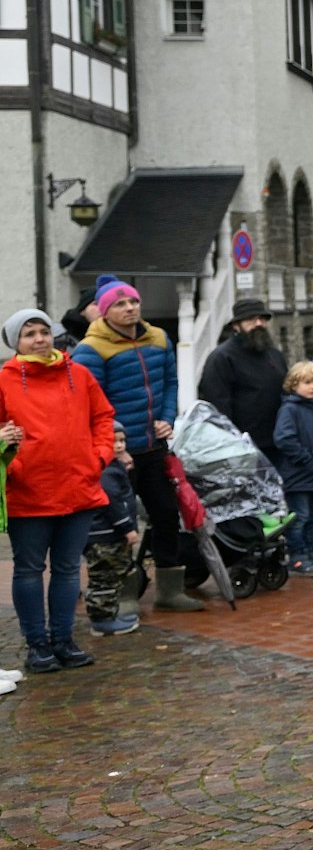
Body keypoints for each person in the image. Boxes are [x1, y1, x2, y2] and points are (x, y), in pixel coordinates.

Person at [71, 276, 204, 612]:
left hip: (155, 448)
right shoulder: (91, 349)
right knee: (121, 525)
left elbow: (171, 383)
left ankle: (169, 590)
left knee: (166, 515)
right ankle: (124, 593)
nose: (129, 308)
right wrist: (115, 444)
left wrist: (167, 418)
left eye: (133, 302)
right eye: (119, 304)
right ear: (104, 312)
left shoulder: (158, 338)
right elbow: (90, 403)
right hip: (118, 455)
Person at [1, 309, 116, 672]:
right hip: (28, 491)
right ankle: (37, 645)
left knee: (68, 570)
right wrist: (10, 457)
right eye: (29, 334)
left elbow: (103, 417)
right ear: (15, 342)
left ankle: (63, 639)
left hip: (78, 487)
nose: (39, 339)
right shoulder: (3, 380)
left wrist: (97, 457)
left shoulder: (79, 375)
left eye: (43, 331)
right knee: (29, 569)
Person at [197, 297, 289, 463]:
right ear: (236, 325)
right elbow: (218, 407)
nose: (258, 323)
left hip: (279, 442)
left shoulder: (274, 354)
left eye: (262, 319)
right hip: (244, 448)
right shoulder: (222, 358)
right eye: (251, 319)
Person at [273, 361, 313, 578]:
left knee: (312, 517)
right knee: (299, 517)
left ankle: (311, 552)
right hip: (299, 474)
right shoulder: (290, 409)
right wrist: (306, 458)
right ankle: (298, 556)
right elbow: (284, 438)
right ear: (294, 384)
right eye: (307, 383)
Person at [84, 426, 142, 636]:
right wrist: (127, 527)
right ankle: (102, 620)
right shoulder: (106, 471)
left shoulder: (113, 466)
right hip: (104, 534)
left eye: (122, 440)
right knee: (104, 577)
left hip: (108, 533)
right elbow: (112, 502)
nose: (119, 445)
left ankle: (109, 615)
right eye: (113, 441)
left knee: (112, 575)